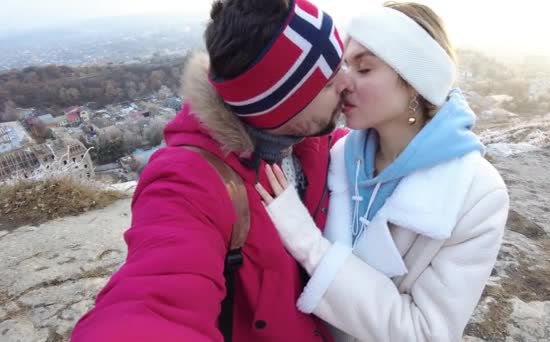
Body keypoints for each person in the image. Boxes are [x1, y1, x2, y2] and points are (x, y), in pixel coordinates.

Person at [70, 0, 349, 341]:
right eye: (327, 82)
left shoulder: (313, 142)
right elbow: (154, 302)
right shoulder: (188, 181)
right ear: (281, 101)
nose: (348, 84)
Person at [255, 2, 510, 341]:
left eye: (364, 69)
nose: (344, 82)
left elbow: (425, 333)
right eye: (345, 65)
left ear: (415, 82)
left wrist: (308, 243)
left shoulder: (476, 195)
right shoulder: (340, 155)